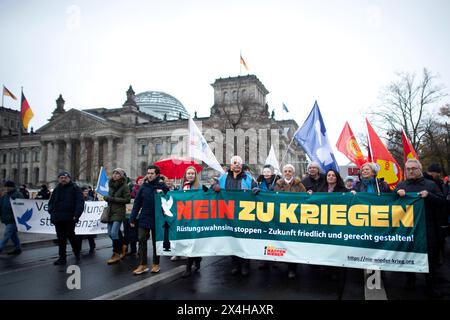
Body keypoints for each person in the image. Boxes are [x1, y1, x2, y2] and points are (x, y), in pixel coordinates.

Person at [396, 159, 445, 298]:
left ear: (419, 169)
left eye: (413, 168)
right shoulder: (401, 185)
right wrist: (396, 193)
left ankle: (431, 286)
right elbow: (390, 204)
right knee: (408, 255)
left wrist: (429, 196)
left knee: (430, 259)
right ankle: (410, 280)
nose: (410, 171)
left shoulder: (431, 185)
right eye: (408, 169)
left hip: (428, 229)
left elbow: (442, 202)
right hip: (408, 230)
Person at [214, 155, 257, 276]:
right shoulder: (223, 178)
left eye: (239, 163)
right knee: (231, 240)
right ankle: (235, 264)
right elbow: (214, 187)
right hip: (228, 214)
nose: (237, 165)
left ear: (242, 165)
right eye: (234, 163)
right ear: (231, 166)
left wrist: (256, 190)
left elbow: (256, 188)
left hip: (244, 214)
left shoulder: (249, 178)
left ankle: (245, 264)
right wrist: (214, 187)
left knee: (244, 240)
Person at [130, 165, 169, 275]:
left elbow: (170, 199)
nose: (149, 175)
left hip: (158, 218)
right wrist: (132, 218)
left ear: (157, 174)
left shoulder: (162, 185)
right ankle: (143, 265)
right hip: (144, 217)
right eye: (148, 173)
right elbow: (137, 203)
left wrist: (165, 185)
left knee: (156, 242)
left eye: (152, 173)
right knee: (142, 239)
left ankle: (156, 264)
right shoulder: (143, 187)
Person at [274, 164, 306, 279]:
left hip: (294, 219)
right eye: (285, 171)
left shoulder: (300, 185)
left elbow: (305, 200)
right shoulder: (278, 184)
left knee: (293, 243)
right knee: (281, 242)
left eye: (289, 171)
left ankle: (292, 268)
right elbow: (273, 199)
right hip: (281, 218)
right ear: (283, 173)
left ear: (293, 173)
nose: (287, 173)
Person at [48, 171, 84, 265]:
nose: (63, 179)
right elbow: (51, 202)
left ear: (69, 178)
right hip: (58, 217)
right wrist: (51, 211)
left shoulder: (75, 188)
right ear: (59, 179)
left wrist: (76, 215)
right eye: (61, 178)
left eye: (65, 178)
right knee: (61, 238)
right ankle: (62, 258)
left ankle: (76, 251)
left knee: (71, 236)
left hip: (70, 217)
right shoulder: (57, 189)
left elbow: (80, 203)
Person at [180, 166, 208, 278]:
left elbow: (206, 197)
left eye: (192, 173)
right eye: (188, 173)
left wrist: (207, 191)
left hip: (197, 219)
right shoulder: (183, 187)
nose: (190, 175)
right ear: (185, 175)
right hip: (186, 218)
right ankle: (198, 258)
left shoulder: (200, 186)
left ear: (195, 175)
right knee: (188, 243)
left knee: (193, 243)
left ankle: (188, 268)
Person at [103, 168, 131, 265]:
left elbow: (127, 199)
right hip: (110, 211)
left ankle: (116, 254)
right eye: (114, 173)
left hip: (119, 212)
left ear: (121, 176)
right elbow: (109, 197)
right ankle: (123, 245)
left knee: (114, 233)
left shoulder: (125, 186)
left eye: (117, 174)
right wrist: (106, 198)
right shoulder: (111, 185)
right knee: (110, 233)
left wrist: (113, 199)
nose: (115, 175)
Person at [423, 163, 448, 265]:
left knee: (439, 239)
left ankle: (436, 260)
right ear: (433, 172)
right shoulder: (429, 183)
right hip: (429, 217)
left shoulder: (437, 182)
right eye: (438, 173)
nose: (439, 175)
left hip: (438, 217)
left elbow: (441, 199)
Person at [0, 180, 23, 255]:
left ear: (12, 187)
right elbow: (1, 206)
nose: (6, 188)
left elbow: (23, 206)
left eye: (8, 187)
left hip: (13, 219)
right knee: (13, 235)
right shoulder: (5, 196)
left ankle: (0, 248)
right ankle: (18, 248)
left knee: (6, 235)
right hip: (6, 219)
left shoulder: (18, 195)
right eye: (5, 186)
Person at [76, 187, 96, 254]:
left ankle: (92, 247)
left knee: (90, 234)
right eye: (85, 191)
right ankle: (78, 249)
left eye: (87, 191)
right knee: (79, 235)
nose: (86, 192)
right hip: (81, 220)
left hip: (88, 220)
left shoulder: (91, 198)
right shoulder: (78, 199)